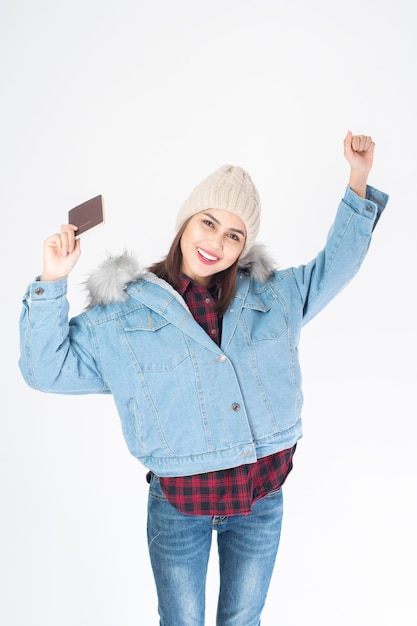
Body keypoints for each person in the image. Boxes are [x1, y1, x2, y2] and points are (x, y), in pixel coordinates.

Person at [19, 131, 388, 626]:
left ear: (244, 246)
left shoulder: (273, 296)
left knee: (242, 620)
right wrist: (52, 281)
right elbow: (46, 370)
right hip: (179, 506)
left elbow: (335, 267)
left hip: (261, 496)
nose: (216, 242)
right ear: (185, 225)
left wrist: (358, 179)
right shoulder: (124, 315)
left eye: (233, 235)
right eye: (208, 223)